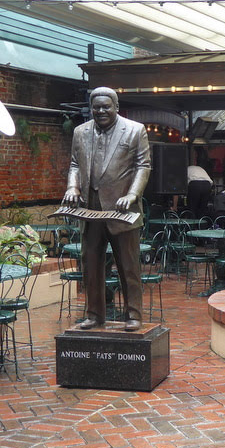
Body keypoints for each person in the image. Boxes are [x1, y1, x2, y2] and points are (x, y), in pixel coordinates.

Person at [63, 87, 151, 332]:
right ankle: (94, 315)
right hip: (89, 211)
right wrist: (73, 187)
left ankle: (133, 315)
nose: (101, 111)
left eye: (106, 107)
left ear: (116, 107)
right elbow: (74, 164)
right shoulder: (80, 132)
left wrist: (132, 194)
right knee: (91, 266)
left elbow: (143, 166)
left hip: (122, 212)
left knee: (128, 267)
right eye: (96, 107)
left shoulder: (135, 130)